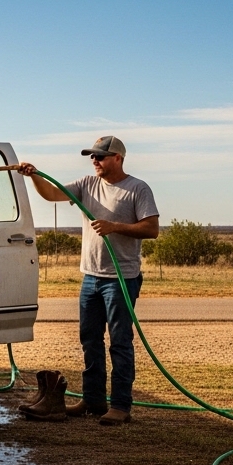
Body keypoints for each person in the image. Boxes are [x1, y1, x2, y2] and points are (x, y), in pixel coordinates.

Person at [17, 136, 159, 426]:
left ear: (118, 158)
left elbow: (152, 228)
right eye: (92, 157)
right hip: (90, 278)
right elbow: (51, 194)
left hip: (121, 279)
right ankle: (93, 401)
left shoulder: (137, 189)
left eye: (100, 157)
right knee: (90, 340)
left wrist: (114, 226)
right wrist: (34, 176)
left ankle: (120, 406)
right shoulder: (86, 184)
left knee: (120, 342)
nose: (95, 161)